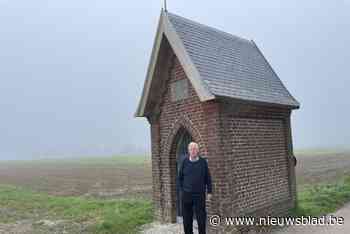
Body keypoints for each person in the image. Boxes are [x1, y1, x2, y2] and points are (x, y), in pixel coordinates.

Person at [178, 142, 212, 234]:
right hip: (186, 195)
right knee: (187, 220)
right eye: (191, 149)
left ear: (198, 151)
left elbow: (207, 177)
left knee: (201, 218)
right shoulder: (184, 162)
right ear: (188, 151)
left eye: (195, 149)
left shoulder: (203, 162)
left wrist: (209, 192)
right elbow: (180, 177)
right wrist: (183, 190)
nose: (193, 151)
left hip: (199, 195)